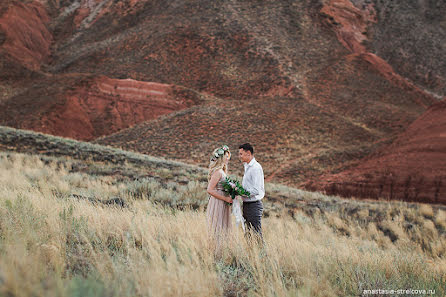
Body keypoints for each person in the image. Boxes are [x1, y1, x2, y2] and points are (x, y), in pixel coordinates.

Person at [238, 143, 265, 240]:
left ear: (248, 153)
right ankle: (251, 254)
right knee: (248, 234)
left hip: (254, 205)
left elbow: (256, 190)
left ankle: (262, 254)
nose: (239, 156)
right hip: (247, 204)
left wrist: (240, 192)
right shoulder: (247, 166)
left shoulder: (255, 168)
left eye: (241, 154)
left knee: (257, 234)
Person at [206, 145, 233, 242]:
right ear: (221, 158)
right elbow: (210, 189)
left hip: (222, 202)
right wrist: (226, 199)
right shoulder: (218, 172)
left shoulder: (222, 172)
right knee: (217, 228)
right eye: (226, 156)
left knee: (223, 228)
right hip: (218, 203)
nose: (228, 159)